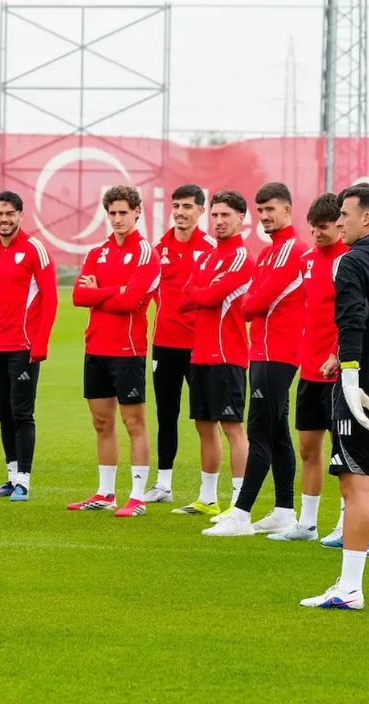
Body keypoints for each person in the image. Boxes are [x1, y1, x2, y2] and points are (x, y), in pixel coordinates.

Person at [301, 184, 369, 609]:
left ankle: (349, 589)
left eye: (345, 214)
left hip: (363, 390)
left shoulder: (352, 262)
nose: (340, 222)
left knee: (356, 488)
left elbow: (353, 321)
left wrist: (348, 373)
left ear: (368, 218)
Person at [205, 182, 308, 536]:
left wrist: (249, 303)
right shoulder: (269, 252)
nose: (265, 216)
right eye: (260, 210)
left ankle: (242, 513)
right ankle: (284, 509)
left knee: (259, 432)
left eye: (271, 210)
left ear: (287, 211)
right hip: (264, 352)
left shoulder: (288, 250)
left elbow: (253, 304)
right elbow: (251, 299)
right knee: (277, 432)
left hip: (276, 353)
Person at [69, 185, 161, 518]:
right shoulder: (97, 253)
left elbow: (132, 301)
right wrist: (115, 290)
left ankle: (137, 496)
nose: (118, 219)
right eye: (112, 213)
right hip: (96, 347)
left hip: (128, 349)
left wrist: (103, 293)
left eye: (124, 212)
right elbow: (79, 297)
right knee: (101, 421)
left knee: (134, 423)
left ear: (137, 211)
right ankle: (105, 493)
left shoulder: (146, 253)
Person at [268, 193, 346, 543]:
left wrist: (337, 353)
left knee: (345, 455)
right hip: (310, 370)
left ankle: (348, 524)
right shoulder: (309, 261)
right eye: (312, 227)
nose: (316, 233)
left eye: (324, 227)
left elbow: (354, 318)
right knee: (308, 449)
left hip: (338, 371)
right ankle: (308, 524)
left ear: (340, 226)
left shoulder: (348, 260)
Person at [171, 190, 251, 520]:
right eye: (215, 215)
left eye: (225, 216)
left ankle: (238, 503)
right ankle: (207, 498)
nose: (218, 221)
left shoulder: (241, 256)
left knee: (233, 429)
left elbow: (208, 296)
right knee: (205, 426)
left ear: (241, 219)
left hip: (228, 355)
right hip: (200, 354)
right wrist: (203, 292)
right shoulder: (205, 257)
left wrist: (203, 292)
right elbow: (186, 297)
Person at [0, 191, 57, 502]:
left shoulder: (36, 249)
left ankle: (24, 480)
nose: (4, 219)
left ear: (21, 216)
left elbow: (50, 298)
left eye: (10, 213)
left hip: (23, 347)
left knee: (22, 413)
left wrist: (40, 343)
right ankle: (11, 478)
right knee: (4, 413)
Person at [144, 184, 216, 502]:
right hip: (164, 343)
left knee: (205, 418)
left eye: (187, 206)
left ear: (201, 211)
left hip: (200, 346)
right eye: (176, 206)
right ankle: (163, 485)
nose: (180, 212)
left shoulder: (212, 248)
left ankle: (208, 493)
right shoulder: (159, 248)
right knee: (166, 414)